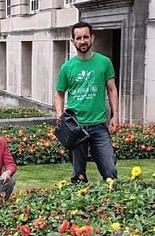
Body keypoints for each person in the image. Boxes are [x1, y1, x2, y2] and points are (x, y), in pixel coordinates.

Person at [54, 21, 120, 184]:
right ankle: (80, 206)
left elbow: (112, 89)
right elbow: (59, 94)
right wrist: (59, 115)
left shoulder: (104, 62)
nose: (82, 41)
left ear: (92, 38)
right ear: (73, 41)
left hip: (99, 125)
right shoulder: (67, 67)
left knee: (110, 170)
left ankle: (111, 203)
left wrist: (115, 114)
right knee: (79, 176)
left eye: (85, 37)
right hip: (75, 126)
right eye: (78, 38)